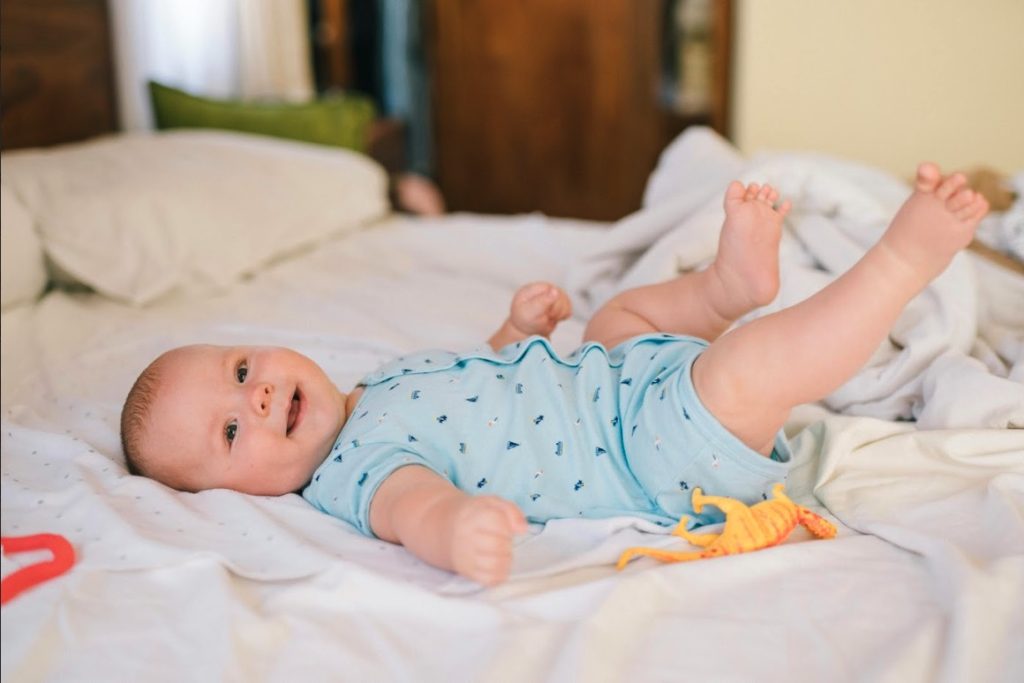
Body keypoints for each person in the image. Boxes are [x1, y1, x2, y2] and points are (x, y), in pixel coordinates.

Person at [120, 163, 988, 585]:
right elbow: (414, 507)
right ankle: (901, 263)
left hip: (607, 378)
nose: (258, 394)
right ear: (235, 492)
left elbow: (477, 379)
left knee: (619, 317)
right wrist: (456, 528)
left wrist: (514, 330)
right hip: (649, 453)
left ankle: (728, 286)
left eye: (241, 369)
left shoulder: (371, 389)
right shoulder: (354, 475)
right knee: (751, 370)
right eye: (232, 428)